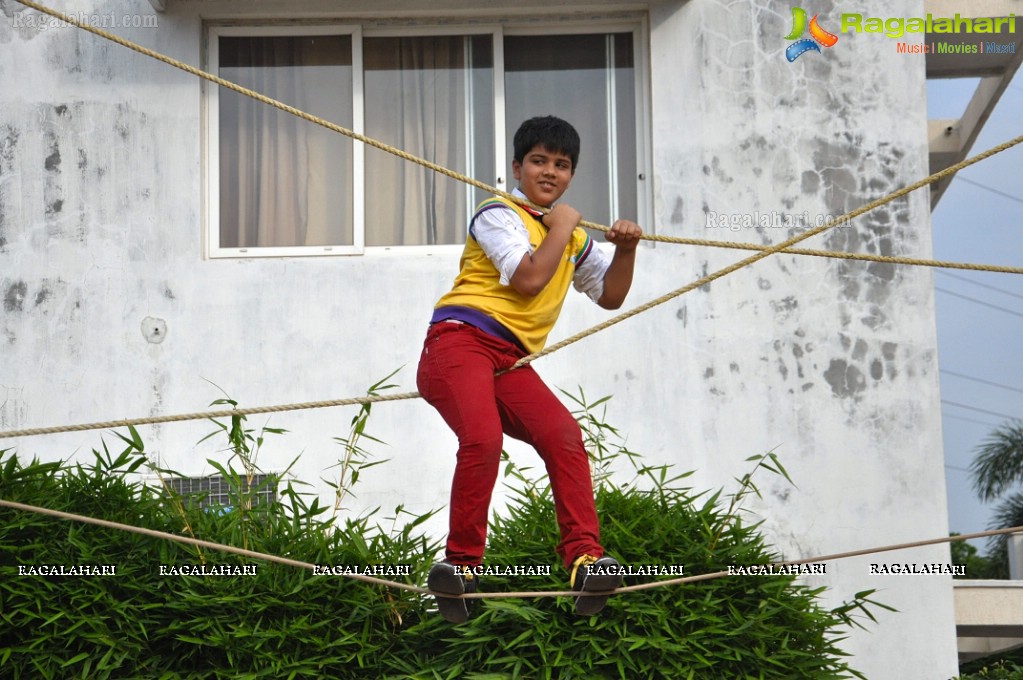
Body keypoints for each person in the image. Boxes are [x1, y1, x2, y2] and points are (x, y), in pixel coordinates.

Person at [416, 115, 642, 623]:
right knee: (482, 438)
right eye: (539, 161)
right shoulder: (498, 214)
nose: (550, 172)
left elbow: (611, 295)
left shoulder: (574, 240)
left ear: (571, 175)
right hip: (458, 345)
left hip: (506, 361)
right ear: (517, 168)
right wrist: (562, 224)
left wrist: (625, 249)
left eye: (561, 165)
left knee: (563, 435)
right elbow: (528, 279)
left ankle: (586, 560)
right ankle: (461, 567)